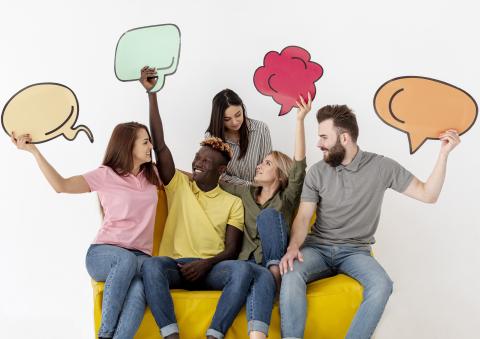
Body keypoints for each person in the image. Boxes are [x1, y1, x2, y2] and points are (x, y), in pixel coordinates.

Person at [278, 104, 461, 339]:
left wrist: (443, 154)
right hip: (319, 247)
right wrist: (294, 247)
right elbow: (303, 217)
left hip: (356, 251)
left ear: (344, 138)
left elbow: (428, 194)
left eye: (324, 137)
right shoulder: (317, 172)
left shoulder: (382, 167)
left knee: (382, 285)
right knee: (292, 273)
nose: (319, 144)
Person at [11, 121, 161, 339]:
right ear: (128, 145)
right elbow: (60, 185)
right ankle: (105, 334)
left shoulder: (153, 174)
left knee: (139, 288)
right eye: (145, 142)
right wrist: (33, 151)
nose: (150, 147)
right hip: (104, 254)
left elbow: (193, 176)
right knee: (126, 261)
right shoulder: (105, 175)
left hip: (139, 259)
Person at [139, 67, 253, 339]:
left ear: (222, 170)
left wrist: (205, 264)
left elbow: (231, 249)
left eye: (205, 162)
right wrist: (152, 93)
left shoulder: (232, 202)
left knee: (243, 270)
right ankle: (171, 335)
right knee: (151, 266)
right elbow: (161, 146)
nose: (197, 164)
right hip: (176, 266)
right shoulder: (179, 185)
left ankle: (214, 334)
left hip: (211, 268)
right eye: (197, 158)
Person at [221, 93, 312, 339]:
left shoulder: (288, 197)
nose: (259, 165)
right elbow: (211, 181)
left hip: (277, 261)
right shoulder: (244, 192)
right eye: (260, 161)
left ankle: (274, 274)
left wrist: (300, 120)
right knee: (257, 278)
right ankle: (270, 283)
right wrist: (172, 173)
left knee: (268, 217)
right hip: (249, 264)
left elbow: (300, 165)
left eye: (267, 163)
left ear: (280, 174)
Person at [206, 88, 272, 185]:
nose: (235, 122)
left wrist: (256, 191)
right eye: (227, 119)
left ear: (243, 109)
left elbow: (268, 168)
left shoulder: (261, 129)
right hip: (228, 192)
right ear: (219, 119)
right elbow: (217, 174)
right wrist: (249, 186)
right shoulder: (212, 137)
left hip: (258, 193)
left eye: (238, 115)